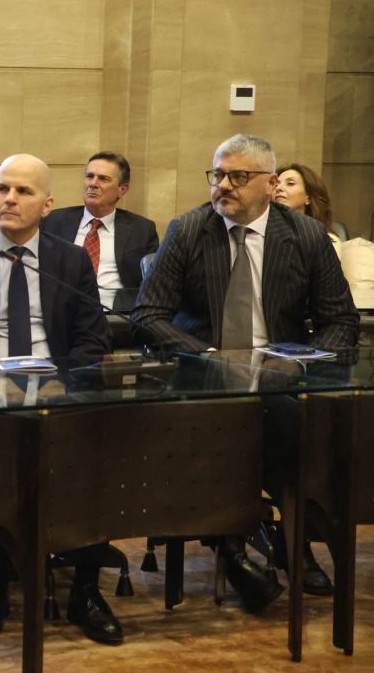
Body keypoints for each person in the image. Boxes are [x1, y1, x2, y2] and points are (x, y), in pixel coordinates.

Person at [132, 134, 358, 609]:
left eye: (239, 176)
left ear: (271, 183)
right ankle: (236, 549)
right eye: (217, 175)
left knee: (308, 430)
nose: (224, 186)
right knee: (223, 425)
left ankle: (293, 539)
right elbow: (148, 315)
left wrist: (302, 367)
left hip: (282, 378)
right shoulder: (188, 229)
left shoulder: (305, 235)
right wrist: (208, 355)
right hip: (206, 378)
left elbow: (341, 321)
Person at [0, 154, 120, 645]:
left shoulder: (70, 261)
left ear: (47, 204)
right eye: (1, 188)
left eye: (23, 191)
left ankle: (86, 590)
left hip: (56, 397)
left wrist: (62, 385)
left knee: (100, 450)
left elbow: (92, 341)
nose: (8, 199)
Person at [40, 151, 158, 311]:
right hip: (61, 313)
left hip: (116, 318)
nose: (93, 184)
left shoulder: (142, 230)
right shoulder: (52, 221)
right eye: (89, 176)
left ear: (122, 190)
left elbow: (151, 286)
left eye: (103, 179)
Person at [275, 163, 339, 245]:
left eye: (290, 183)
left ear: (308, 197)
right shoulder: (262, 234)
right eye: (276, 184)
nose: (278, 188)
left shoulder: (326, 240)